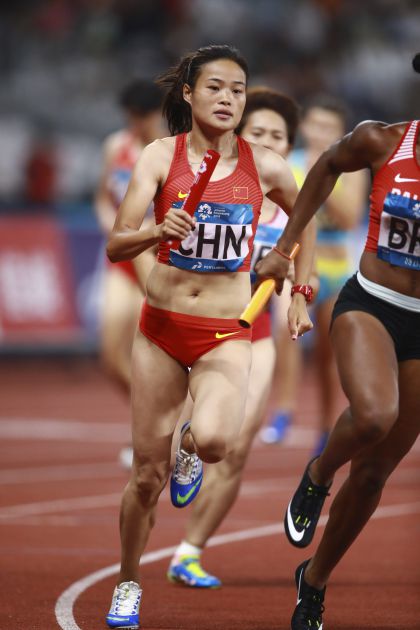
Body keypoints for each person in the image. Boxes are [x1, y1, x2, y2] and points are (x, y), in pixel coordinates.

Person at [104, 44, 316, 629]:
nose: (227, 99)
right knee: (146, 477)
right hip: (161, 331)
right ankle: (128, 582)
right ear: (189, 94)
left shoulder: (265, 166)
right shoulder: (160, 156)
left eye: (237, 90)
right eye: (215, 88)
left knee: (219, 442)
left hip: (226, 333)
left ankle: (191, 446)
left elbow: (307, 218)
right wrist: (156, 231)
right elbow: (116, 243)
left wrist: (299, 286)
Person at [256, 58, 420, 630]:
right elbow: (326, 165)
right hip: (372, 303)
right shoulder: (384, 141)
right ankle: (319, 473)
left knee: (374, 474)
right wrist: (286, 245)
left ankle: (315, 581)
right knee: (373, 415)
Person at [166, 86, 317, 588]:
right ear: (239, 135)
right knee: (164, 452)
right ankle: (183, 451)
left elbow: (309, 263)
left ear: (289, 145)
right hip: (193, 329)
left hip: (253, 335)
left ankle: (189, 552)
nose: (268, 141)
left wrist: (297, 291)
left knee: (233, 446)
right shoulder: (211, 187)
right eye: (259, 132)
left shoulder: (293, 210)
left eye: (278, 135)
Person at [261, 95, 367, 455]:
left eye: (329, 128)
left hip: (337, 271)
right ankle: (284, 411)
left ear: (342, 133)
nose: (321, 133)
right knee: (283, 329)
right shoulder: (287, 163)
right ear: (304, 126)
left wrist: (322, 173)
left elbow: (349, 219)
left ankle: (325, 427)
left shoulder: (353, 169)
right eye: (316, 125)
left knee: (328, 355)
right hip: (299, 265)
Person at [94, 79, 163, 467]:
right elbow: (102, 197)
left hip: (154, 260)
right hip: (121, 262)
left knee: (146, 357)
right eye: (130, 116)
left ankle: (148, 431)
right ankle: (153, 418)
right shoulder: (116, 146)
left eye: (141, 116)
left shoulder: (169, 151)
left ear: (156, 114)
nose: (134, 123)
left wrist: (147, 233)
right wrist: (111, 222)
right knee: (110, 356)